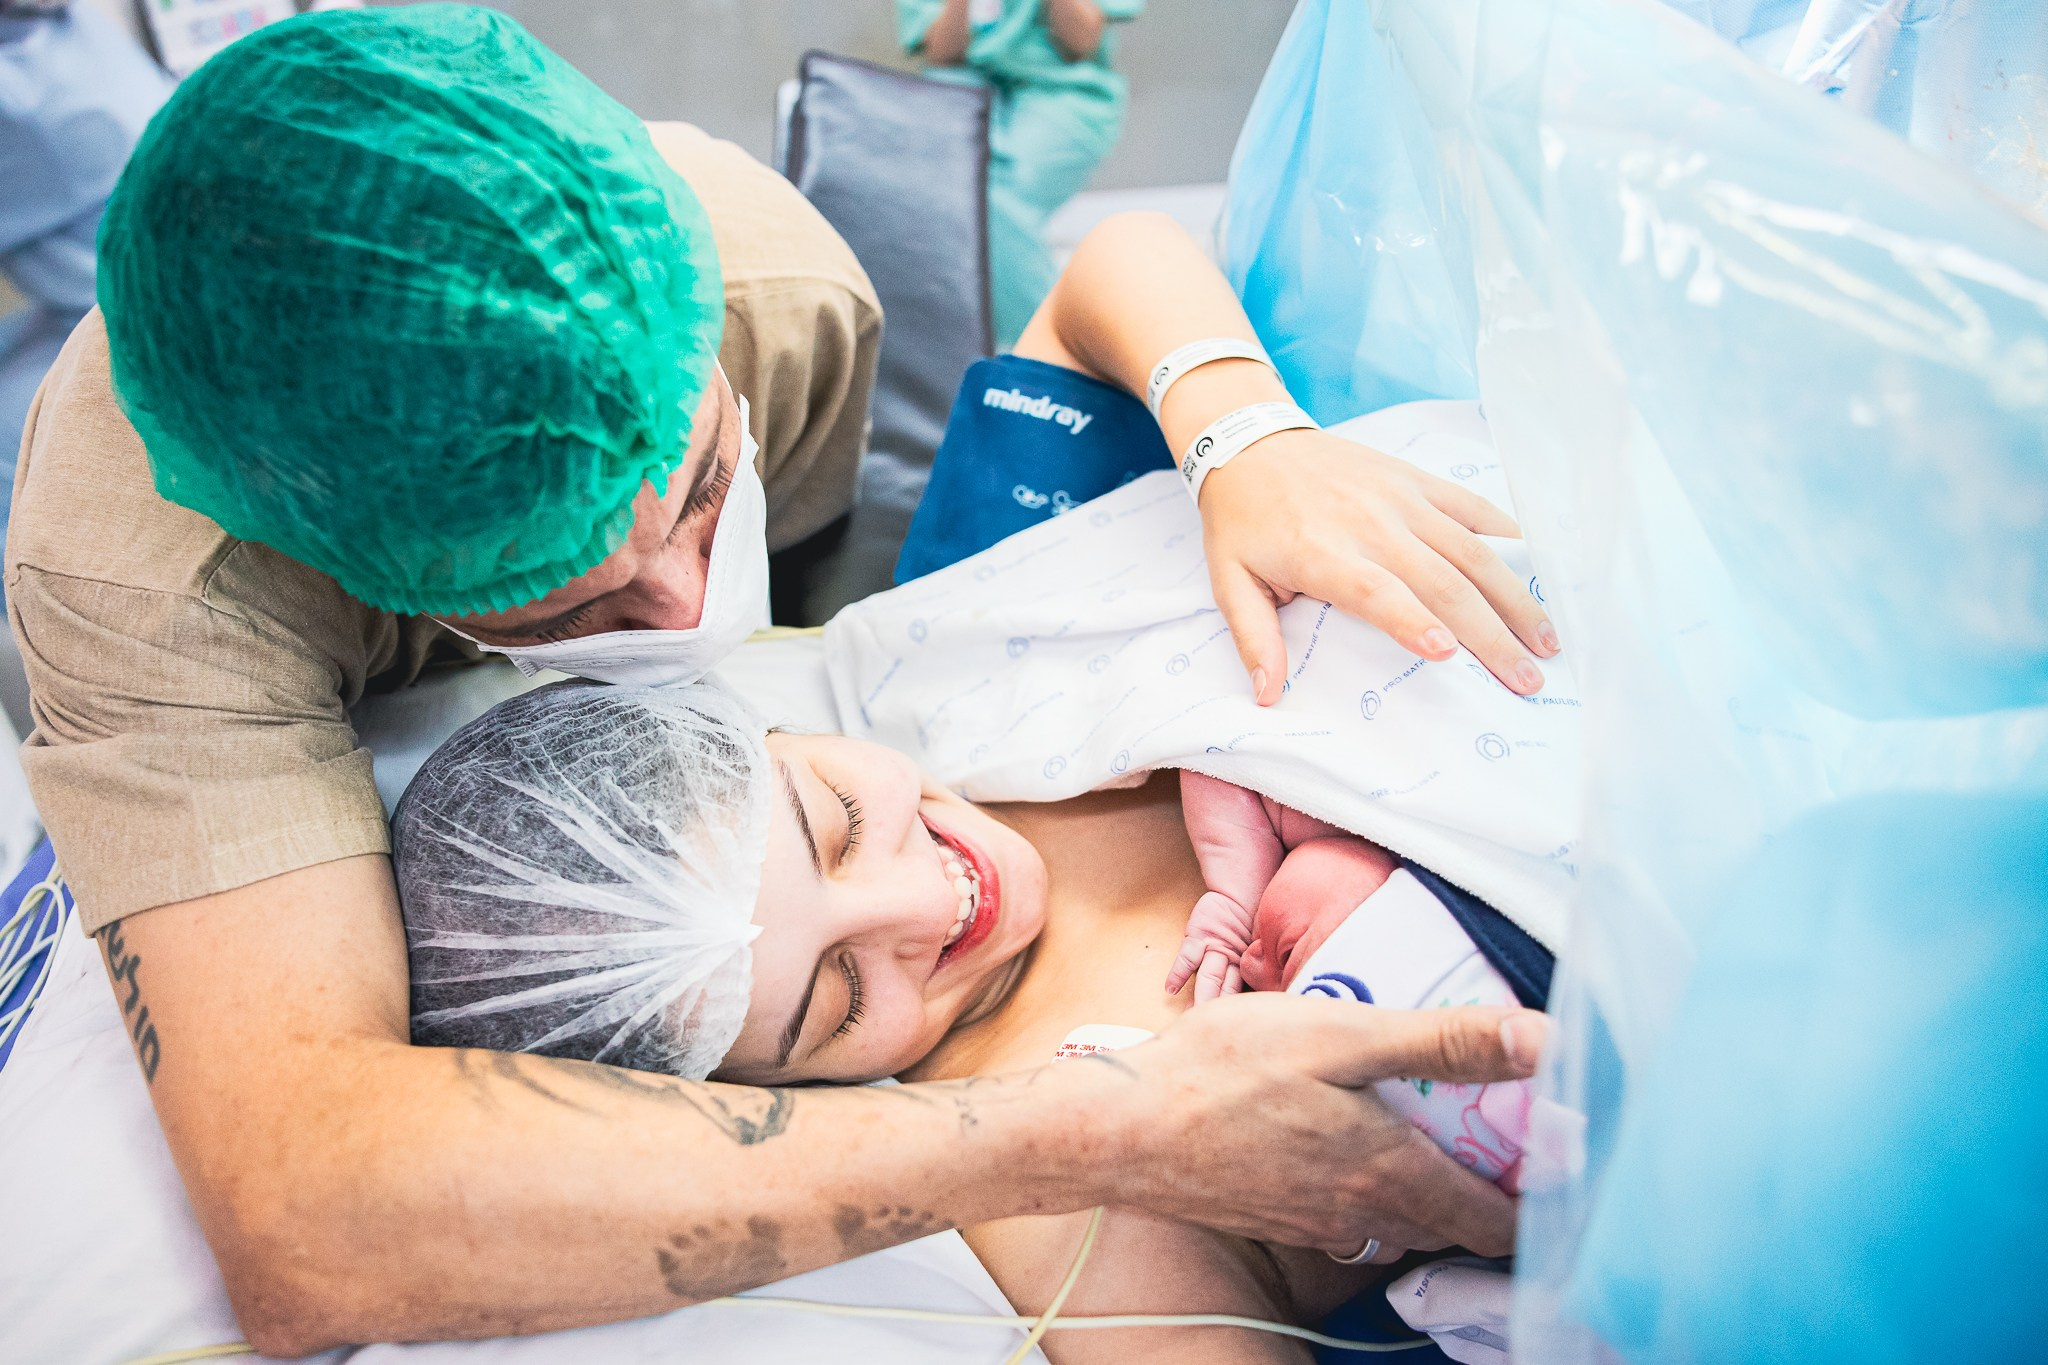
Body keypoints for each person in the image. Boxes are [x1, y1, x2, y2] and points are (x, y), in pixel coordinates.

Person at [6, 3, 1560, 1348]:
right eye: (565, 610)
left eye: (694, 493)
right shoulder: (159, 600)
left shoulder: (791, 337)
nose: (691, 614)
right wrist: (1082, 1136)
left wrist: (1236, 435)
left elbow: (1063, 349)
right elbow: (310, 1213)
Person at [388, 680, 1542, 1363]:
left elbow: (1095, 301)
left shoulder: (981, 687)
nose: (921, 904)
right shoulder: (1072, 1207)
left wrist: (1229, 432)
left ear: (772, 727)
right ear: (773, 1100)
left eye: (837, 823)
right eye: (837, 1000)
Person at [900, 0, 1142, 346]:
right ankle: (1060, 354)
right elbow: (943, 52)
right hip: (964, 85)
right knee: (967, 187)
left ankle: (1047, 350)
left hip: (1064, 90)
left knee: (987, 193)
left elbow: (1081, 41)